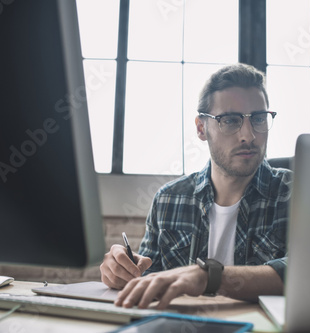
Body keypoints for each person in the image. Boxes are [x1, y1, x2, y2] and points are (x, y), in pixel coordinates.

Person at [100, 63, 292, 309]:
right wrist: (122, 271)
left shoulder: (296, 193)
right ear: (202, 128)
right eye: (230, 120)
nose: (248, 135)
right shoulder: (168, 200)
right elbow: (148, 279)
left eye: (258, 118)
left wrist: (209, 277)